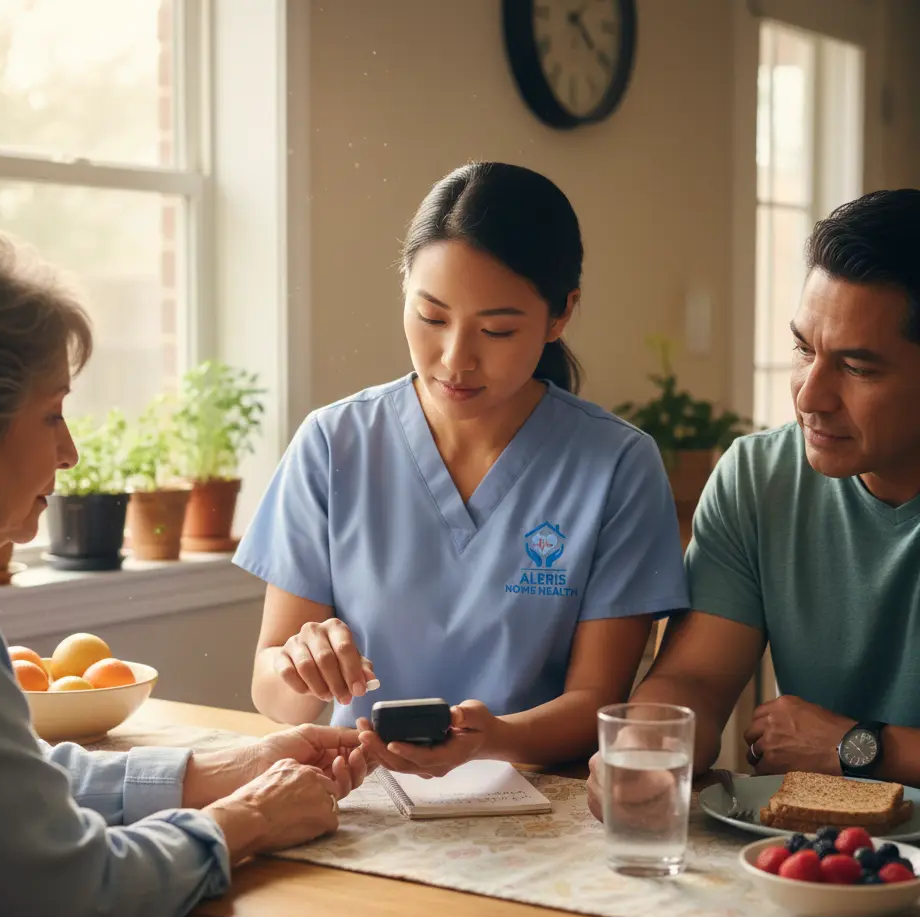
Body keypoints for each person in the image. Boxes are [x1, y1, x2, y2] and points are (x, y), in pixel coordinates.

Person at [0, 219, 368, 917]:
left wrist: (210, 772)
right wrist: (246, 820)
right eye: (51, 416)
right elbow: (83, 899)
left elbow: (4, 792)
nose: (71, 452)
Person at [236, 162, 689, 778]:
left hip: (537, 808)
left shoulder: (616, 465)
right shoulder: (333, 443)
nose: (455, 360)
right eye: (431, 318)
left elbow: (598, 705)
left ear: (560, 316)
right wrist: (299, 668)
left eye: (497, 330)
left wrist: (492, 739)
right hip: (363, 797)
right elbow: (272, 694)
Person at [587, 189, 920, 821]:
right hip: (822, 863)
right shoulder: (756, 480)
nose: (809, 395)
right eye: (804, 349)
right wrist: (648, 745)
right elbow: (698, 680)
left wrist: (861, 748)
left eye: (856, 367)